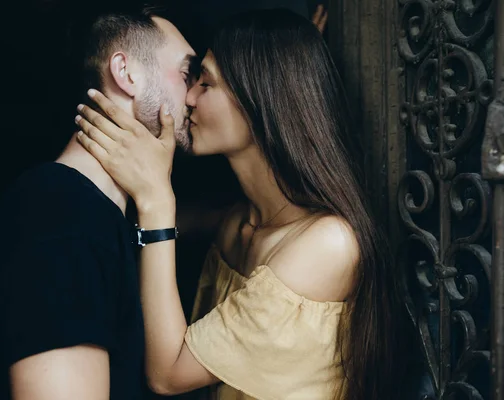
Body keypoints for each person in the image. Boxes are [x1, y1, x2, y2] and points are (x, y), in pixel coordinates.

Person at [74, 8, 407, 400]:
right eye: (191, 78)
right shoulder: (239, 223)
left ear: (259, 98)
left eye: (205, 82)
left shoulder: (328, 244)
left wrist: (156, 202)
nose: (190, 99)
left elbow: (167, 375)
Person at [0, 7, 197, 400]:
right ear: (126, 73)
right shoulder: (61, 217)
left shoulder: (90, 213)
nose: (192, 94)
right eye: (185, 74)